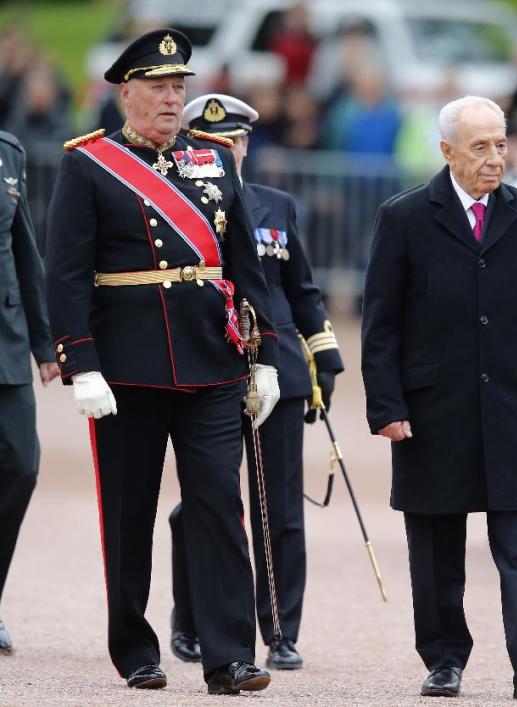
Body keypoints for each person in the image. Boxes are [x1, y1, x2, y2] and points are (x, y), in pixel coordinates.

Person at [44, 29, 280, 695]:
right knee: (130, 513)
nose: (173, 98)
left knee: (217, 506)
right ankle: (135, 647)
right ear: (127, 92)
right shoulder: (90, 164)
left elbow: (245, 266)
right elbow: (66, 273)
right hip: (127, 367)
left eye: (180, 86)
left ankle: (230, 653)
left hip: (211, 359)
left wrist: (262, 356)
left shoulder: (213, 160)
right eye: (159, 87)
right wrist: (80, 361)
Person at [361, 95, 517, 700]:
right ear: (448, 151)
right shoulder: (403, 217)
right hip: (432, 408)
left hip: (510, 401)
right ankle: (444, 658)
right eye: (480, 146)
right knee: (434, 545)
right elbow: (382, 323)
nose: (495, 158)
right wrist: (387, 406)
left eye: (501, 144)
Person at [167, 93, 344, 671]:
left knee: (280, 509)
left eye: (236, 140)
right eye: (215, 141)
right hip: (207, 367)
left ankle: (281, 630)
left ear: (247, 144)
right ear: (193, 145)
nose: (229, 150)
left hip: (280, 372)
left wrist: (324, 358)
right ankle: (191, 619)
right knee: (205, 501)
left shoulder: (277, 205)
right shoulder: (177, 208)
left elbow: (303, 291)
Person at [0, 129, 58, 655]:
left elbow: (26, 253)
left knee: (22, 465)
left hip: (7, 343)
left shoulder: (8, 154)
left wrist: (45, 344)